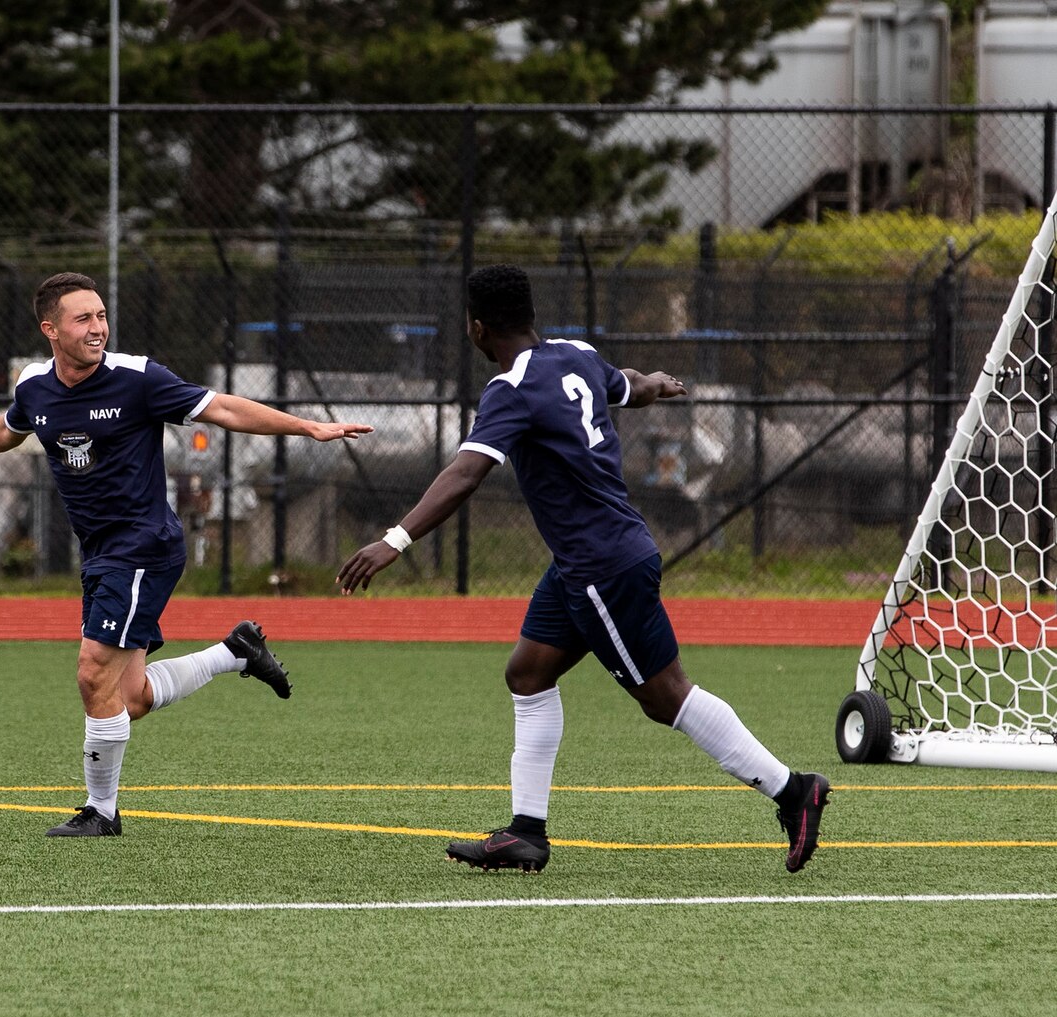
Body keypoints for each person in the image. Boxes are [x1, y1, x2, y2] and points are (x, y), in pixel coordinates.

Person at [336, 264, 829, 875]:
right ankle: (525, 833)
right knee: (528, 673)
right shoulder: (574, 354)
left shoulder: (509, 389)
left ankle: (792, 790)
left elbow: (465, 473)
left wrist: (395, 539)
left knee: (665, 695)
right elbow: (630, 385)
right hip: (583, 563)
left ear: (477, 327)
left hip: (603, 566)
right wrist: (656, 381)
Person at [0, 272, 372, 838]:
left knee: (94, 673)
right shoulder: (35, 385)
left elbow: (225, 410)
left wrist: (309, 428)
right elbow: (16, 425)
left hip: (142, 547)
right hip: (100, 553)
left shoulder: (138, 378)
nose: (97, 328)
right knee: (130, 698)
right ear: (50, 329)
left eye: (101, 316)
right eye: (82, 319)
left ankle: (102, 812)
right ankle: (236, 652)